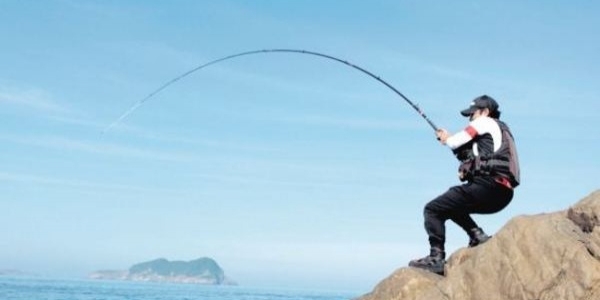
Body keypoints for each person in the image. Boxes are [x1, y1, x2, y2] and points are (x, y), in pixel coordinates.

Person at [408, 95, 520, 275]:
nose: (470, 118)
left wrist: (447, 138)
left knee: (432, 209)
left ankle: (436, 258)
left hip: (489, 186)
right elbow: (469, 155)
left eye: (472, 114)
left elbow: (455, 140)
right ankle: (476, 235)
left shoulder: (486, 122)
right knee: (450, 205)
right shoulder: (497, 133)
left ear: (484, 112)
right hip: (502, 193)